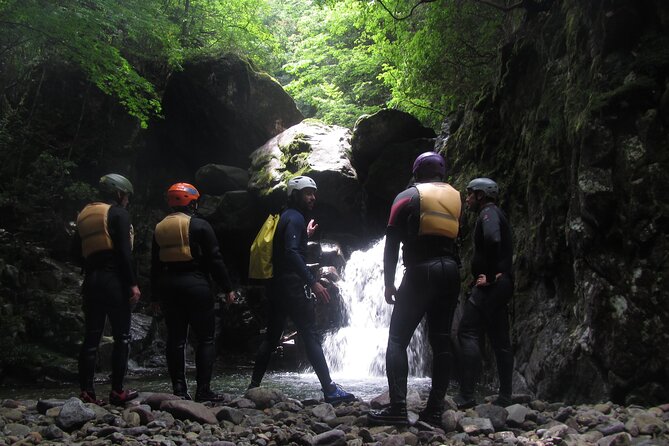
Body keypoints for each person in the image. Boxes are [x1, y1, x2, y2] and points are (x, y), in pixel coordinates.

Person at [368, 152, 461, 426]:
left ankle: (397, 407)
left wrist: (388, 282)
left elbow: (391, 243)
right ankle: (434, 409)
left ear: (417, 172)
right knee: (441, 340)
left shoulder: (406, 197)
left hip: (421, 271)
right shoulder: (455, 197)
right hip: (451, 270)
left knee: (397, 340)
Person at [248, 176, 355, 404]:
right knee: (310, 334)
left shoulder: (286, 216)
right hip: (293, 287)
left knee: (271, 337)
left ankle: (253, 385)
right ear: (295, 195)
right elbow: (291, 253)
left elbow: (286, 247)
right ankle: (330, 390)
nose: (312, 197)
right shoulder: (295, 217)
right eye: (307, 193)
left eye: (313, 193)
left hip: (277, 285)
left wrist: (304, 235)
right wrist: (312, 282)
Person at [150, 182, 236, 402]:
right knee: (205, 339)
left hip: (169, 286)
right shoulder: (200, 225)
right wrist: (227, 288)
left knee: (176, 339)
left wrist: (154, 296)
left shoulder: (159, 227)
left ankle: (179, 390)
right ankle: (203, 390)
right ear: (192, 202)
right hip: (196, 284)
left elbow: (155, 266)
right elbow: (215, 259)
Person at [72, 173, 140, 406]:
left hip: (91, 282)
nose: (127, 200)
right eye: (126, 196)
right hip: (114, 282)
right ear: (119, 194)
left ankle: (87, 392)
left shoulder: (84, 215)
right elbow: (124, 252)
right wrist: (132, 283)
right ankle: (117, 391)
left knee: (91, 337)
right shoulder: (118, 213)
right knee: (122, 336)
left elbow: (74, 253)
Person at [454, 177, 514, 409]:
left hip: (491, 287)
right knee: (500, 339)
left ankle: (467, 394)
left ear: (481, 196)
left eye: (470, 194)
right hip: (503, 284)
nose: (467, 198)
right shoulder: (497, 213)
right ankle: (505, 396)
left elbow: (492, 238)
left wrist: (488, 276)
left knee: (467, 332)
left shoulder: (488, 214)